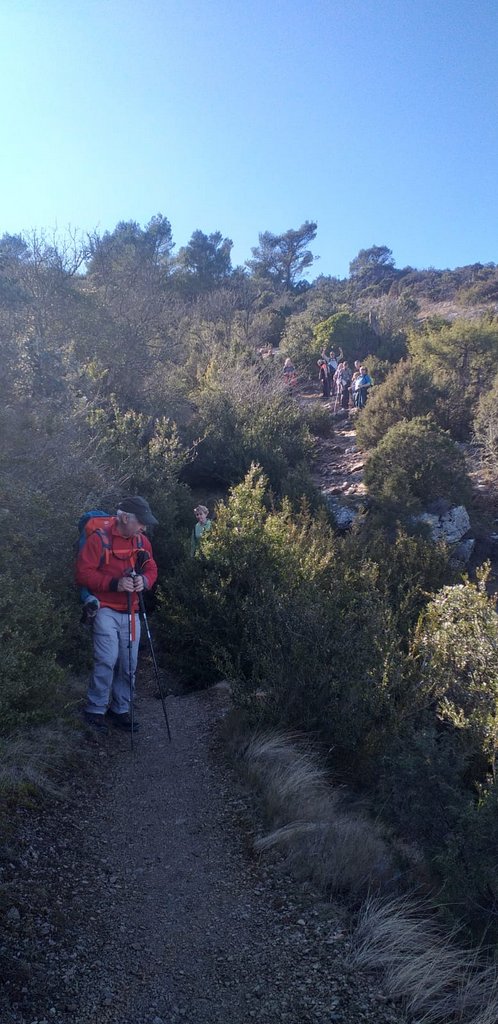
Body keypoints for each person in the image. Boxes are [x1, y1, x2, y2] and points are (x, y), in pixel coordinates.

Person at [76, 496, 159, 734]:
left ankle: (120, 709)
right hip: (105, 609)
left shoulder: (142, 541)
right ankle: (95, 710)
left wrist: (144, 581)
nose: (144, 527)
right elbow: (82, 575)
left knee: (129, 662)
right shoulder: (98, 540)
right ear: (124, 518)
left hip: (132, 611)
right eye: (141, 522)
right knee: (106, 659)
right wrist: (115, 584)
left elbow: (151, 567)